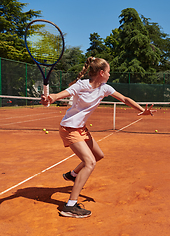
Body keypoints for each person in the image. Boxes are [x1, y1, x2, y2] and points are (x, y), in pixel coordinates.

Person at [41, 57, 156, 218]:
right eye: (108, 71)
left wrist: (140, 109)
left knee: (98, 155)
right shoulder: (81, 85)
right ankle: (70, 206)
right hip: (69, 128)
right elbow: (63, 94)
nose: (110, 74)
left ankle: (72, 175)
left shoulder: (104, 88)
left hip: (81, 128)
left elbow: (124, 99)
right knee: (90, 162)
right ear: (101, 73)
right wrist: (51, 97)